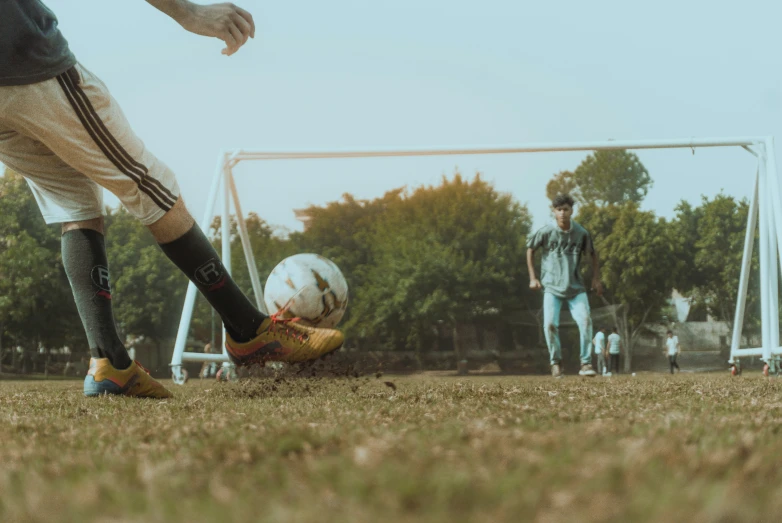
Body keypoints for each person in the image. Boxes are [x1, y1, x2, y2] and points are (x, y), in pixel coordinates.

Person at [0, 0, 344, 399]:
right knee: (150, 185)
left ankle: (110, 362)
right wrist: (189, 13)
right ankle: (249, 331)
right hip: (23, 62)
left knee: (74, 201)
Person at [527, 193, 603, 378]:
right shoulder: (545, 232)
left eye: (566, 209)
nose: (562, 213)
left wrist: (596, 278)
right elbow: (530, 250)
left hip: (576, 287)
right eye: (559, 210)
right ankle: (556, 363)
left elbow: (593, 254)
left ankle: (585, 364)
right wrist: (533, 277)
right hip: (552, 287)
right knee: (550, 324)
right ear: (554, 211)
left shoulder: (581, 233)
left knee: (585, 321)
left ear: (572, 210)